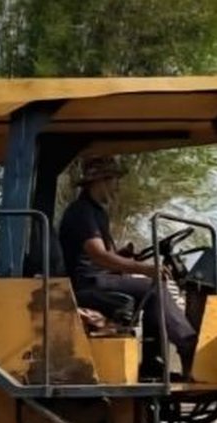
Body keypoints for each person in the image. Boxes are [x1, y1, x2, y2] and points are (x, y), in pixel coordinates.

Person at [58, 156, 198, 377]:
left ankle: (154, 364)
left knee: (151, 288)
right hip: (89, 283)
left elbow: (105, 255)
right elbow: (99, 256)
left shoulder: (96, 212)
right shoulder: (81, 212)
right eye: (114, 180)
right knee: (154, 288)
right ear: (101, 181)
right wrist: (143, 268)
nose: (116, 187)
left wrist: (125, 257)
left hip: (99, 278)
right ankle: (189, 346)